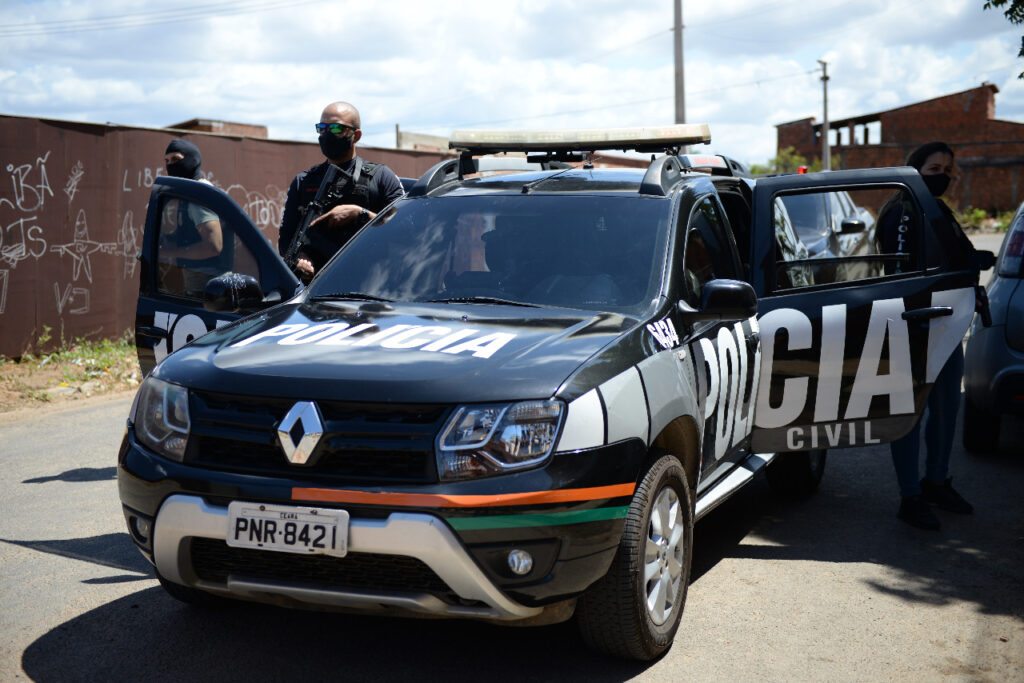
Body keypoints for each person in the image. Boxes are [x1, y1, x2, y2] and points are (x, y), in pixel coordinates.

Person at [881, 142, 980, 530]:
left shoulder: (937, 209)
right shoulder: (903, 212)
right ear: (914, 169)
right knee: (911, 414)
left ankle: (936, 482)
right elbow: (904, 273)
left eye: (947, 168)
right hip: (915, 326)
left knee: (946, 412)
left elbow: (961, 255)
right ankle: (911, 496)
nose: (943, 175)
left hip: (948, 326)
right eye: (934, 167)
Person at [278, 101, 405, 280]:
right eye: (322, 128)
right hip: (315, 290)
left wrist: (359, 213)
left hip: (369, 286)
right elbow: (286, 240)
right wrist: (299, 259)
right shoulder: (303, 182)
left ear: (356, 135)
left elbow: (405, 227)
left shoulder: (381, 177)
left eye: (337, 129)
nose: (327, 134)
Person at [158, 139, 226, 295]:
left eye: (176, 159)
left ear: (192, 159)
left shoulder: (199, 195)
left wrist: (171, 252)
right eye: (167, 161)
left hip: (207, 287)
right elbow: (196, 234)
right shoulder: (194, 192)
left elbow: (213, 245)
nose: (170, 165)